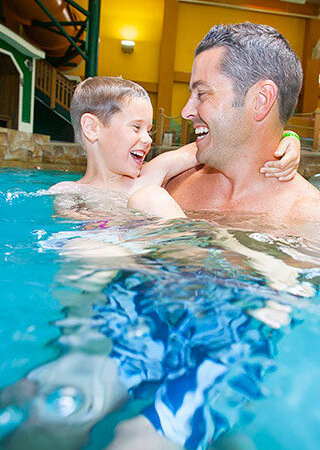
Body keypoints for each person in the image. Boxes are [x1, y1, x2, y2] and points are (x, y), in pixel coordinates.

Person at [129, 23, 320, 226]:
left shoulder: (307, 219)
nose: (186, 112)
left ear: (261, 100)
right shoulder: (167, 181)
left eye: (202, 94)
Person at [48, 76, 299, 221]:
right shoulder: (68, 191)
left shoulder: (151, 175)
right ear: (92, 128)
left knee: (150, 197)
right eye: (136, 128)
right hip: (113, 260)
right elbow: (78, 232)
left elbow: (208, 146)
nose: (147, 139)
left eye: (149, 130)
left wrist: (287, 137)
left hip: (170, 257)